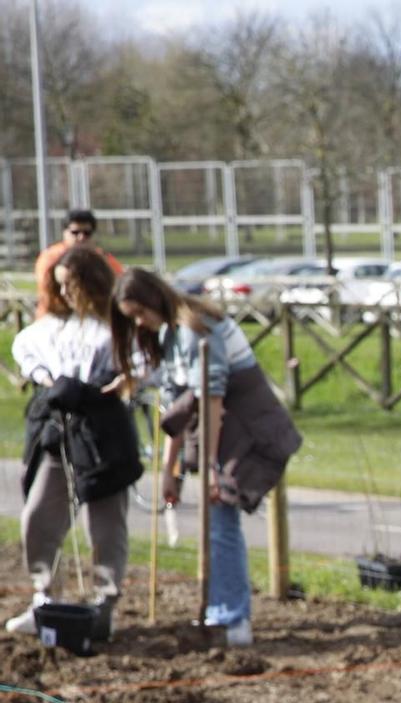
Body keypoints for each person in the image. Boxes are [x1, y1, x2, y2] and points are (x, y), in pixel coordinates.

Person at [106, 268, 301, 648]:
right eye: (131, 318)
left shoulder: (197, 328)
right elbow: (178, 411)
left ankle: (232, 619)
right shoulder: (168, 334)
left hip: (246, 428)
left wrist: (211, 468)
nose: (138, 323)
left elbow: (213, 403)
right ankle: (221, 610)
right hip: (219, 429)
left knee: (220, 520)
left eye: (139, 314)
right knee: (216, 522)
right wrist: (170, 472)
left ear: (154, 301)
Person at [7, 247, 139, 639]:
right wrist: (49, 382)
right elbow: (25, 350)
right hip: (58, 430)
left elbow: (134, 366)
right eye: (59, 286)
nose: (64, 294)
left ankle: (104, 604)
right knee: (39, 515)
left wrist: (103, 386)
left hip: (101, 434)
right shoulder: (52, 327)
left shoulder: (113, 328)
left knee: (105, 523)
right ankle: (44, 598)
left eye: (71, 285)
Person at [33, 210, 123, 318]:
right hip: (57, 317)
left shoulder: (102, 259)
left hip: (94, 317)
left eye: (87, 233)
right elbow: (49, 293)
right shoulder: (51, 258)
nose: (81, 237)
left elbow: (119, 287)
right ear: (64, 232)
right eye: (75, 232)